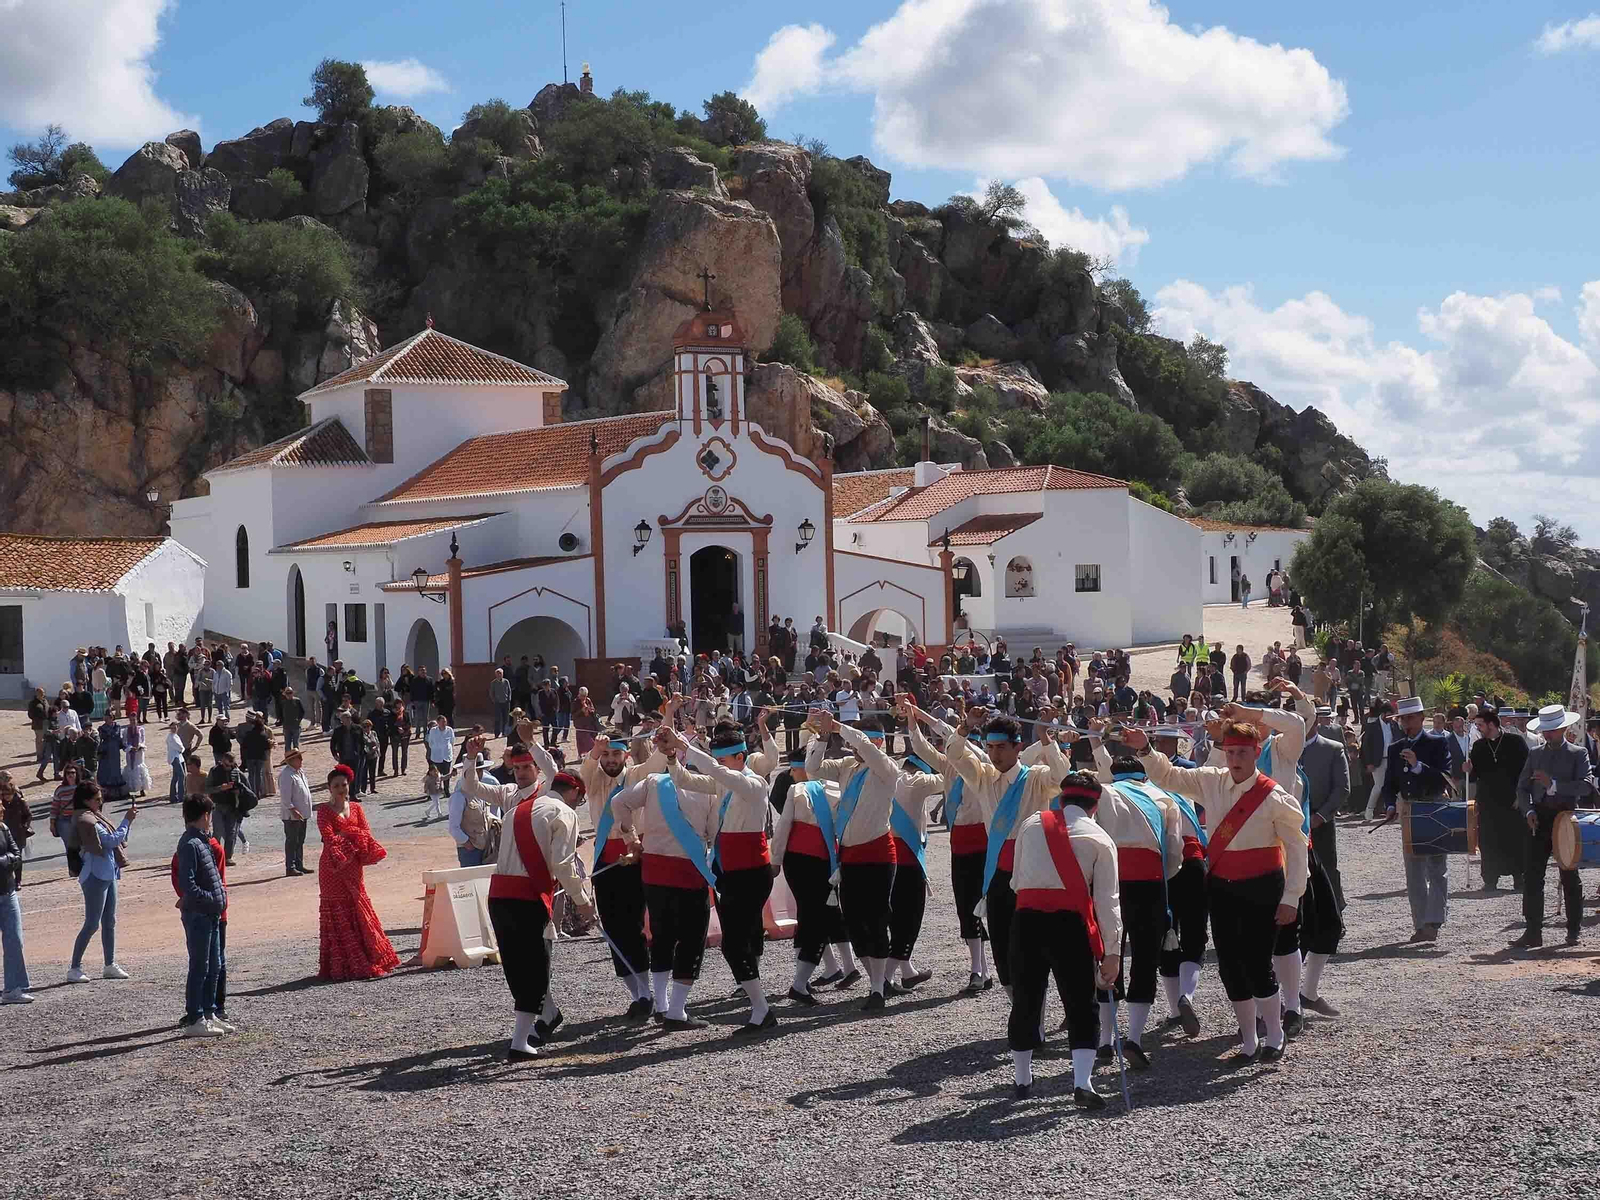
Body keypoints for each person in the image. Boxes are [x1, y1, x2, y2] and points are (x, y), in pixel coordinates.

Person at [1122, 720, 1308, 1062]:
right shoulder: (1211, 780)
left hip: (1263, 887)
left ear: (1255, 754)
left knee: (1256, 963)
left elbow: (1296, 850)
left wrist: (1291, 898)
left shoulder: (1275, 796)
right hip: (1222, 887)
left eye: (1242, 753)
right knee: (1230, 965)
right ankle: (1250, 1041)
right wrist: (1145, 749)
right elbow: (1169, 778)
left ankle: (1275, 1034)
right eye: (1230, 752)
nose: (1235, 759)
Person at [920, 706, 1070, 998]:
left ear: (1018, 747)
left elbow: (1063, 777)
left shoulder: (1036, 777)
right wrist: (965, 727)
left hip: (1034, 871)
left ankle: (1051, 1004)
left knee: (1040, 943)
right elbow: (955, 756)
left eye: (1001, 747)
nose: (994, 754)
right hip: (999, 872)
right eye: (989, 747)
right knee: (1001, 941)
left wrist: (1045, 738)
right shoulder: (982, 776)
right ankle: (1019, 1007)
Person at [657, 720, 782, 1033]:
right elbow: (687, 780)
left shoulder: (755, 784)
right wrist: (673, 757)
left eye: (723, 760)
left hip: (751, 872)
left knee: (735, 943)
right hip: (731, 870)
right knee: (734, 943)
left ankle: (761, 1009)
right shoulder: (727, 779)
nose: (719, 766)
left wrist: (687, 746)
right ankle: (760, 1008)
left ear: (740, 758)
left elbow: (716, 772)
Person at [1005, 771, 1121, 1105]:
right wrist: (1111, 953)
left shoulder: (1030, 825)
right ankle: (1082, 1083)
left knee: (1026, 999)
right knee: (1081, 1003)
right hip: (1070, 926)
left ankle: (1022, 1079)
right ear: (1094, 805)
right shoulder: (1100, 839)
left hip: (1026, 920)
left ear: (1061, 799)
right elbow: (1107, 902)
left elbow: (1015, 881)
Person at [484, 762, 594, 1060]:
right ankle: (520, 1042)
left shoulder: (515, 811)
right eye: (579, 798)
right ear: (573, 792)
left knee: (516, 965)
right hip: (527, 897)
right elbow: (562, 865)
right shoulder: (565, 813)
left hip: (499, 893)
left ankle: (548, 1015)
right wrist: (583, 901)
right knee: (535, 965)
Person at [612, 742, 721, 1029]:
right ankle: (676, 1011)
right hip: (688, 869)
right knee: (691, 939)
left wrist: (631, 838)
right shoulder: (709, 789)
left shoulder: (653, 782)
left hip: (655, 869)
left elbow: (618, 803)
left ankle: (661, 1005)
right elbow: (712, 832)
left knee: (661, 937)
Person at [1086, 752, 1183, 1069]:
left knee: (1107, 955)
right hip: (1150, 883)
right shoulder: (1164, 798)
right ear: (1144, 776)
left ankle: (1103, 1041)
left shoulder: (1103, 793)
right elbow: (1174, 852)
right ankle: (1135, 1039)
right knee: (1144, 959)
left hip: (1110, 880)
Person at [803, 710, 901, 1010]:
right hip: (849, 855)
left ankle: (877, 989)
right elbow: (813, 769)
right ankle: (878, 981)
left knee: (876, 919)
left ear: (878, 743)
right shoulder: (847, 765)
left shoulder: (886, 768)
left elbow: (869, 750)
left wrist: (841, 727)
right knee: (855, 923)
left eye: (864, 742)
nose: (857, 748)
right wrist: (822, 737)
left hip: (878, 854)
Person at [910, 715, 994, 992]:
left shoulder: (984, 765)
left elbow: (951, 735)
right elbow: (922, 749)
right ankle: (977, 969)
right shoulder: (948, 766)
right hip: (959, 842)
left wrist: (955, 729)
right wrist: (913, 719)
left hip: (985, 841)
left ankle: (989, 968)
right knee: (966, 907)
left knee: (989, 906)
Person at [1510, 706, 1590, 949]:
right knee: (1533, 876)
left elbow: (1586, 786)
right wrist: (1529, 810)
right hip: (1540, 818)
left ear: (1564, 729)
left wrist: (1554, 784)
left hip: (1565, 818)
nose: (1548, 735)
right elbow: (1522, 788)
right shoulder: (1534, 754)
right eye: (1545, 731)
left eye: (1552, 731)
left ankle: (1573, 930)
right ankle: (1533, 931)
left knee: (1569, 875)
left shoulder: (1578, 753)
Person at [1380, 696, 1456, 942]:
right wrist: (1390, 804)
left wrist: (1417, 766)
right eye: (1403, 718)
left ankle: (1434, 921)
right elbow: (1389, 783)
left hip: (1433, 805)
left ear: (1422, 718)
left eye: (1411, 718)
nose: (1406, 723)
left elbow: (1445, 776)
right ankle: (1420, 922)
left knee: (1436, 868)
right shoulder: (1394, 748)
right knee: (1414, 870)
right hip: (1410, 809)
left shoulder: (1437, 743)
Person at [316, 765, 400, 980]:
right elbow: (329, 838)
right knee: (339, 907)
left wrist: (346, 833)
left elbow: (366, 835)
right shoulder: (324, 811)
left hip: (354, 866)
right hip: (332, 869)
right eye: (336, 786)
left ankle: (369, 957)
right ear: (329, 788)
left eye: (343, 785)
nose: (341, 789)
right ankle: (343, 965)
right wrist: (352, 835)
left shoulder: (357, 808)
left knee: (358, 903)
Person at [67, 782, 137, 984]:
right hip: (95, 875)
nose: (100, 802)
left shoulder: (94, 817)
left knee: (109, 921)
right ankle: (74, 967)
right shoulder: (86, 820)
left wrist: (126, 824)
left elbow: (114, 840)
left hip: (107, 872)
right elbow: (111, 841)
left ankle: (110, 964)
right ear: (86, 800)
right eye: (96, 799)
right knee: (91, 924)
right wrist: (127, 820)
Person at [173, 795, 229, 1036]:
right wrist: (210, 899)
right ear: (204, 815)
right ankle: (196, 1016)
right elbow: (188, 884)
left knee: (214, 965)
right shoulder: (189, 844)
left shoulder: (202, 842)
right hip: (199, 914)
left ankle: (209, 1013)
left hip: (211, 913)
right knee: (200, 966)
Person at [1466, 710, 1529, 892]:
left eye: (1480, 725)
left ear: (1491, 724)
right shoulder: (1478, 746)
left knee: (1515, 839)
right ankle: (1490, 879)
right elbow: (1476, 775)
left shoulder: (1515, 742)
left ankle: (1519, 878)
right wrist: (1469, 769)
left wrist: (1521, 795)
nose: (1477, 728)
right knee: (1488, 841)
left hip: (1512, 800)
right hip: (1488, 802)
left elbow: (1526, 770)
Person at [1301, 706, 1351, 916]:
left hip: (1319, 819)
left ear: (1314, 722)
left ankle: (1334, 915)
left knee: (1326, 868)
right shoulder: (1282, 749)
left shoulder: (1333, 748)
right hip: (1290, 820)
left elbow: (1342, 788)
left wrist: (1321, 816)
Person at [0, 812, 31, 1003]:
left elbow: (17, 853)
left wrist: (4, 861)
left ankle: (14, 987)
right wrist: (7, 860)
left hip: (8, 892)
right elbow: (11, 857)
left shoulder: (2, 828)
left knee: (15, 940)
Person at [206, 749, 255, 865]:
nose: (228, 767)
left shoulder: (238, 773)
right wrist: (220, 788)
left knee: (231, 833)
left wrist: (239, 792)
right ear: (222, 761)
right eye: (226, 764)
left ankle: (227, 857)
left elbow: (248, 791)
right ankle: (215, 857)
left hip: (233, 807)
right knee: (217, 832)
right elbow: (207, 789)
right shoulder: (214, 771)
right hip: (218, 805)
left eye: (230, 765)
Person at [279, 747, 313, 877]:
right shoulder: (287, 775)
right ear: (292, 760)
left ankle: (299, 864)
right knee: (292, 840)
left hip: (302, 813)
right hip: (292, 815)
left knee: (300, 840)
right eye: (299, 758)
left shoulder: (300, 772)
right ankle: (290, 866)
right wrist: (293, 809)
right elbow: (285, 797)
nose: (301, 760)